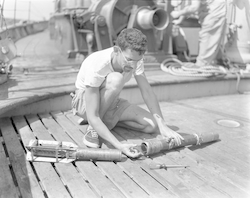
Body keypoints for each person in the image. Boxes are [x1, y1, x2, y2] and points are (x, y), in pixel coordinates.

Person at [72, 28, 183, 158]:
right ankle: (93, 128)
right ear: (117, 50)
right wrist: (119, 146)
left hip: (111, 102)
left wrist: (162, 125)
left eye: (138, 61)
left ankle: (103, 122)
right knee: (116, 79)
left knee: (151, 125)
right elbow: (93, 114)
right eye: (129, 60)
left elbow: (147, 92)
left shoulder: (134, 59)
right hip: (84, 102)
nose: (134, 66)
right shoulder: (98, 64)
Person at [171, 0, 227, 67]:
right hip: (214, 12)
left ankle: (202, 65)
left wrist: (178, 13)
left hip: (214, 13)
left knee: (207, 36)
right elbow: (189, 6)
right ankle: (220, 61)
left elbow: (194, 7)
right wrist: (180, 20)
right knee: (213, 39)